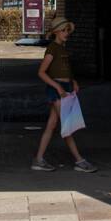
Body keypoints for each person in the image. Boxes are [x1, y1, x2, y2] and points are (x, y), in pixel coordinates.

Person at [31, 16, 97, 173]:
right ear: (56, 32)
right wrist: (58, 87)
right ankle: (79, 160)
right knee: (67, 125)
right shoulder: (52, 48)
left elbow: (65, 69)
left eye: (67, 30)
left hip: (65, 87)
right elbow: (41, 72)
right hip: (57, 90)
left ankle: (38, 159)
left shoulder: (62, 48)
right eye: (63, 30)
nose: (66, 33)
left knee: (52, 125)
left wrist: (72, 81)